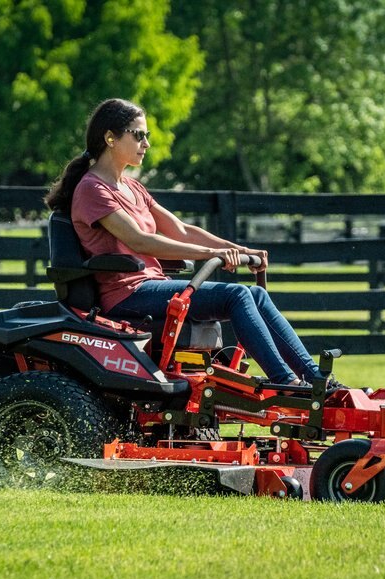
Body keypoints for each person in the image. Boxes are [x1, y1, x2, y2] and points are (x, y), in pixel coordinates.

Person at [43, 98, 332, 387]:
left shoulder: (132, 187)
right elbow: (140, 241)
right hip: (127, 295)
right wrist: (213, 253)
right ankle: (287, 383)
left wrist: (240, 250)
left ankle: (316, 379)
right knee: (237, 295)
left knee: (255, 295)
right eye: (139, 135)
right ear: (110, 138)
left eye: (148, 136)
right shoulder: (92, 189)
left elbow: (180, 230)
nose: (146, 144)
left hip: (151, 286)